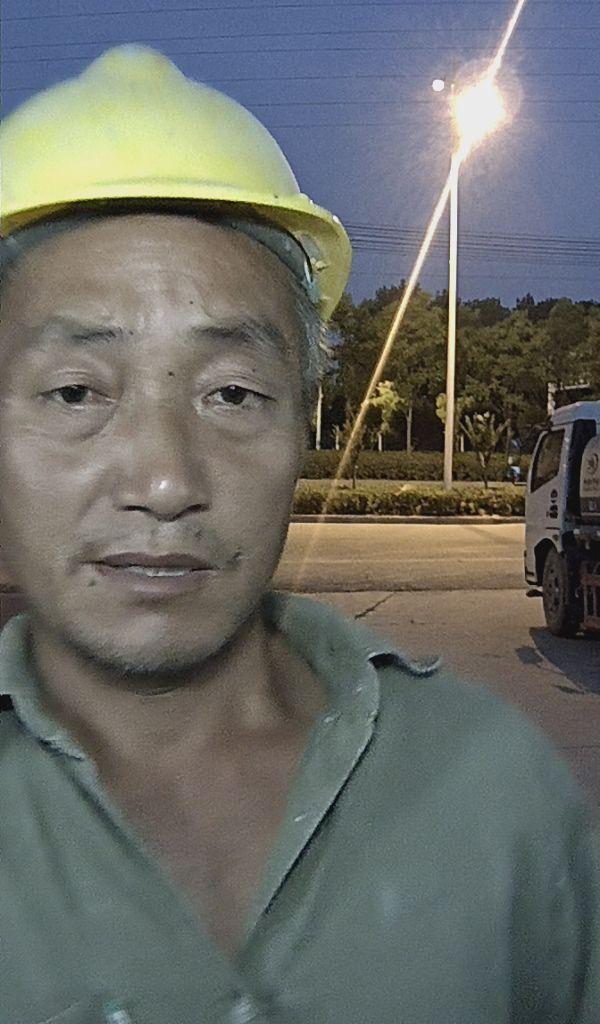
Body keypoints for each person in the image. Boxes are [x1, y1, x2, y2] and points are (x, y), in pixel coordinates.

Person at [0, 46, 598, 1024]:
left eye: (232, 393)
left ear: (303, 425)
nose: (165, 480)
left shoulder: (496, 789)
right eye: (75, 392)